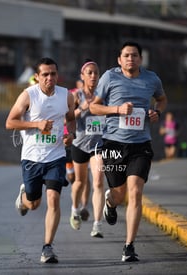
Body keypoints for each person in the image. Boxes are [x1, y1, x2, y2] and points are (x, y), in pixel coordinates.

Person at [90, 41, 167, 262]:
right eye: (126, 55)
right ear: (119, 60)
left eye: (134, 55)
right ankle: (110, 202)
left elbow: (161, 99)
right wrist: (117, 109)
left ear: (140, 59)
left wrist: (156, 113)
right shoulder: (109, 77)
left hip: (140, 145)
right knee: (119, 193)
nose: (130, 59)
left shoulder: (151, 79)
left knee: (135, 192)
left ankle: (129, 246)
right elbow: (94, 106)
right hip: (113, 144)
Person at [6, 57, 76, 264]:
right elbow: (10, 122)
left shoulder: (66, 96)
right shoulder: (29, 95)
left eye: (53, 74)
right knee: (34, 204)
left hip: (56, 156)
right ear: (37, 77)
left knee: (54, 199)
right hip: (32, 157)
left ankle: (47, 247)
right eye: (45, 74)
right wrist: (36, 125)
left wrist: (70, 135)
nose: (49, 78)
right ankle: (24, 197)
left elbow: (71, 119)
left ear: (57, 75)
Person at [69, 59, 105, 238]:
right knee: (80, 182)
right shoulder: (76, 96)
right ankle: (75, 209)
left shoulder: (103, 94)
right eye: (89, 73)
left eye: (96, 73)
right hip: (79, 144)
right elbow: (67, 118)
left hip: (98, 145)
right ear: (82, 76)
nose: (93, 76)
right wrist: (80, 109)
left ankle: (97, 224)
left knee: (98, 181)